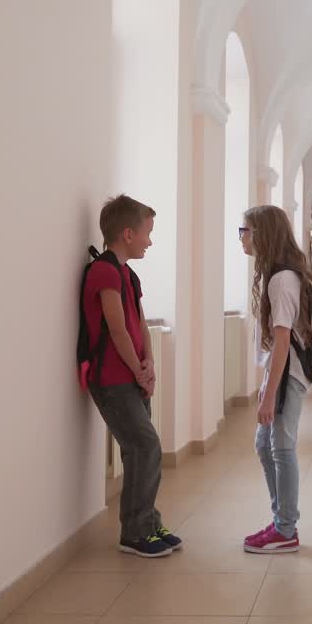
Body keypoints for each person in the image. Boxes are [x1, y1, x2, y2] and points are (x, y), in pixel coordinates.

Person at [82, 195, 182, 557]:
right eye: (147, 233)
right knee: (146, 446)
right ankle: (135, 533)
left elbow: (139, 323)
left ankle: (149, 524)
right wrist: (139, 371)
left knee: (141, 451)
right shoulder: (104, 271)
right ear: (127, 234)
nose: (150, 241)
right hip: (111, 378)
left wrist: (150, 362)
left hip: (132, 376)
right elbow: (117, 329)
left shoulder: (128, 273)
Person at [239, 205, 312, 554]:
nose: (243, 236)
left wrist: (269, 394)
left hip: (289, 375)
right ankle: (280, 521)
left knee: (281, 448)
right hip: (282, 372)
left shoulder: (281, 280)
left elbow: (283, 340)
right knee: (264, 444)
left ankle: (285, 529)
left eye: (246, 230)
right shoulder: (279, 275)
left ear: (263, 234)